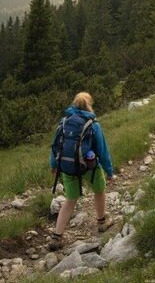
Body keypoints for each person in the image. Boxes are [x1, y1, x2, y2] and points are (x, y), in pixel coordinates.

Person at [48, 92, 115, 251]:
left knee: (70, 200)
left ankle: (57, 237)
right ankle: (101, 222)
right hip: (89, 166)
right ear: (89, 105)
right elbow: (102, 150)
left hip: (68, 168)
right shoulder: (93, 124)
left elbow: (55, 145)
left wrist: (54, 165)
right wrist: (109, 171)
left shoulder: (64, 123)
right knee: (99, 190)